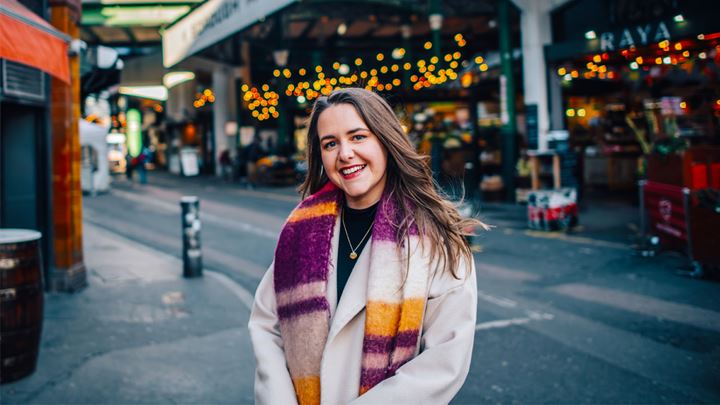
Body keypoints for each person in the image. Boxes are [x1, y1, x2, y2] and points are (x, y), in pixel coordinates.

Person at [248, 88, 485, 405]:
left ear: (385, 140)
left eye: (358, 137)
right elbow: (267, 327)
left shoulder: (436, 238)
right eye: (330, 143)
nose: (344, 153)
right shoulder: (301, 231)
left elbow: (443, 362)